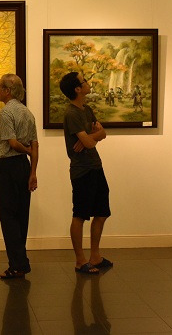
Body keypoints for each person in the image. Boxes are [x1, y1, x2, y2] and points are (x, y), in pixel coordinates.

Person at [59, 72, 113, 274]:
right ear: (77, 89)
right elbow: (92, 141)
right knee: (80, 214)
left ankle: (95, 256)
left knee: (101, 212)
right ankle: (80, 261)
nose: (88, 83)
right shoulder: (71, 114)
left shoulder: (87, 109)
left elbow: (102, 134)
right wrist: (92, 138)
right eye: (84, 81)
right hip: (82, 170)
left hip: (96, 166)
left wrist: (91, 137)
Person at [0, 73, 38, 279]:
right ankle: (20, 262)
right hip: (23, 167)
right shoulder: (28, 113)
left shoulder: (6, 113)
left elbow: (12, 143)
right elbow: (35, 145)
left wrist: (26, 151)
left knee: (8, 216)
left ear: (7, 90)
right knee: (22, 215)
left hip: (8, 166)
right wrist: (33, 172)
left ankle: (17, 264)